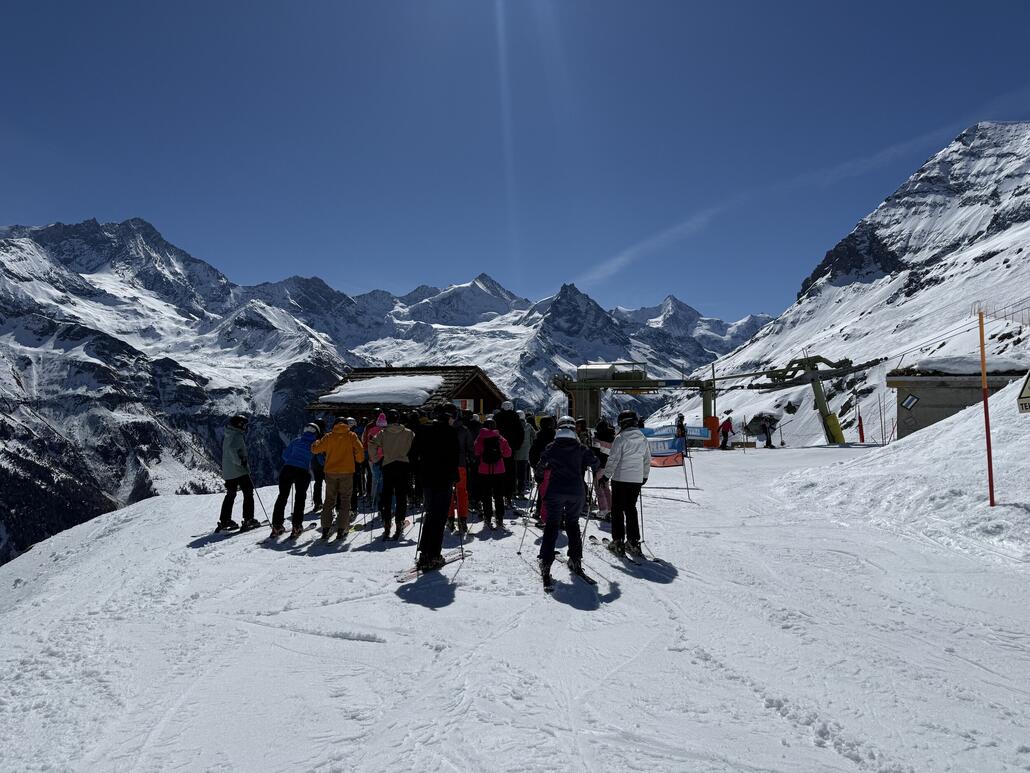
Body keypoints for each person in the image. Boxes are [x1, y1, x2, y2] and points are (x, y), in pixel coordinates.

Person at [536, 416, 599, 587]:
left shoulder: (552, 447)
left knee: (552, 525)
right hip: (576, 492)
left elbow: (541, 466)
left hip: (556, 490)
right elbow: (595, 462)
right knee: (572, 524)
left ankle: (546, 562)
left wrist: (540, 478)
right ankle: (575, 560)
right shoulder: (581, 448)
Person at [411, 403, 461, 570]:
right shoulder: (451, 432)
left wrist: (419, 470)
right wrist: (456, 476)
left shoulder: (424, 429)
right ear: (450, 417)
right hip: (444, 479)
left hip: (427, 478)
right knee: (439, 517)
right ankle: (433, 555)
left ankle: (424, 553)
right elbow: (455, 457)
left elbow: (413, 453)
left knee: (431, 514)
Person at [601, 409, 651, 557]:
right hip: (636, 480)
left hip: (620, 479)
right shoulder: (643, 438)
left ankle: (617, 541)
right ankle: (633, 542)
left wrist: (606, 476)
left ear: (622, 423)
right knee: (630, 509)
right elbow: (647, 459)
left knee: (617, 510)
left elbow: (613, 459)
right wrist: (644, 476)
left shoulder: (620, 438)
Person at [310, 417, 365, 540]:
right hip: (347, 472)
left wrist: (316, 442)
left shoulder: (329, 436)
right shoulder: (351, 436)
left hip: (330, 472)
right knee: (345, 500)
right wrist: (359, 460)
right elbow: (360, 450)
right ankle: (342, 528)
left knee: (329, 500)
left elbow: (315, 449)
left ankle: (325, 528)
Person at [369, 410, 415, 540]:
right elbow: (415, 446)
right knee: (401, 496)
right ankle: (399, 523)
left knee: (387, 496)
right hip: (403, 465)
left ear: (387, 420)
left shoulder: (383, 433)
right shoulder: (408, 432)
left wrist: (375, 459)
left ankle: (387, 524)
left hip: (388, 465)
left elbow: (372, 443)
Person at [271, 423, 317, 538]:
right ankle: (296, 526)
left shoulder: (297, 440)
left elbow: (285, 455)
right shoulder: (316, 444)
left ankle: (277, 526)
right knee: (300, 498)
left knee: (282, 496)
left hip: (287, 469)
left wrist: (293, 461)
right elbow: (318, 458)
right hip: (302, 471)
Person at [218, 414, 260, 532]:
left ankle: (225, 520)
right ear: (239, 424)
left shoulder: (229, 433)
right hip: (239, 471)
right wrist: (240, 461)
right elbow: (232, 450)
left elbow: (230, 449)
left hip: (229, 471)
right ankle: (248, 519)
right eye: (244, 424)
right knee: (248, 492)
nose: (246, 427)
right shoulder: (236, 435)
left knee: (230, 495)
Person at [473, 418, 512, 530]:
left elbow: (476, 452)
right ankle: (499, 518)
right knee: (499, 496)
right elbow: (508, 453)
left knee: (486, 496)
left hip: (484, 471)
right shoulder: (500, 438)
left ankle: (488, 517)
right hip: (499, 470)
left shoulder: (480, 438)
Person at [449, 408, 474, 534]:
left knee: (448, 492)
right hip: (461, 464)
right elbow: (470, 448)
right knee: (461, 492)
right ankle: (462, 519)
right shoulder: (464, 430)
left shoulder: (444, 430)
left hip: (446, 465)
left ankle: (450, 519)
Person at [494, 400, 524, 506]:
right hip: (511, 450)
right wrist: (516, 446)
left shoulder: (497, 417)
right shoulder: (515, 418)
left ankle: (498, 494)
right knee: (510, 473)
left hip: (497, 450)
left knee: (498, 472)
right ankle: (508, 496)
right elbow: (521, 434)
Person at [529, 416, 556, 524]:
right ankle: (554, 513)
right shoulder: (556, 436)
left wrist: (534, 465)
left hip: (541, 468)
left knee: (542, 490)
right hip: (554, 468)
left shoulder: (539, 436)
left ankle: (539, 511)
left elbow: (533, 452)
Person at [592, 416, 615, 521]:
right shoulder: (612, 438)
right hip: (608, 466)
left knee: (598, 488)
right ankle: (610, 509)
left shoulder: (597, 439)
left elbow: (595, 453)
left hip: (599, 466)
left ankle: (603, 510)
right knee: (606, 487)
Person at [364, 412, 387, 509]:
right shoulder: (387, 432)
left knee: (374, 478)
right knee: (384, 480)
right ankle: (382, 498)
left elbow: (367, 442)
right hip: (385, 458)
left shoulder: (371, 430)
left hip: (373, 458)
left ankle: (374, 497)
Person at [514, 410, 535, 498]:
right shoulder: (528, 426)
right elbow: (534, 437)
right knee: (522, 473)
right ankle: (521, 491)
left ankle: (513, 491)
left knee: (514, 473)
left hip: (514, 453)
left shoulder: (513, 426)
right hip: (525, 453)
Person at [310, 419, 326, 511]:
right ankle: (331, 503)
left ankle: (317, 503)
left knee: (318, 483)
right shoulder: (325, 436)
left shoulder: (312, 436)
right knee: (330, 484)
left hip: (315, 464)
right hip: (326, 464)